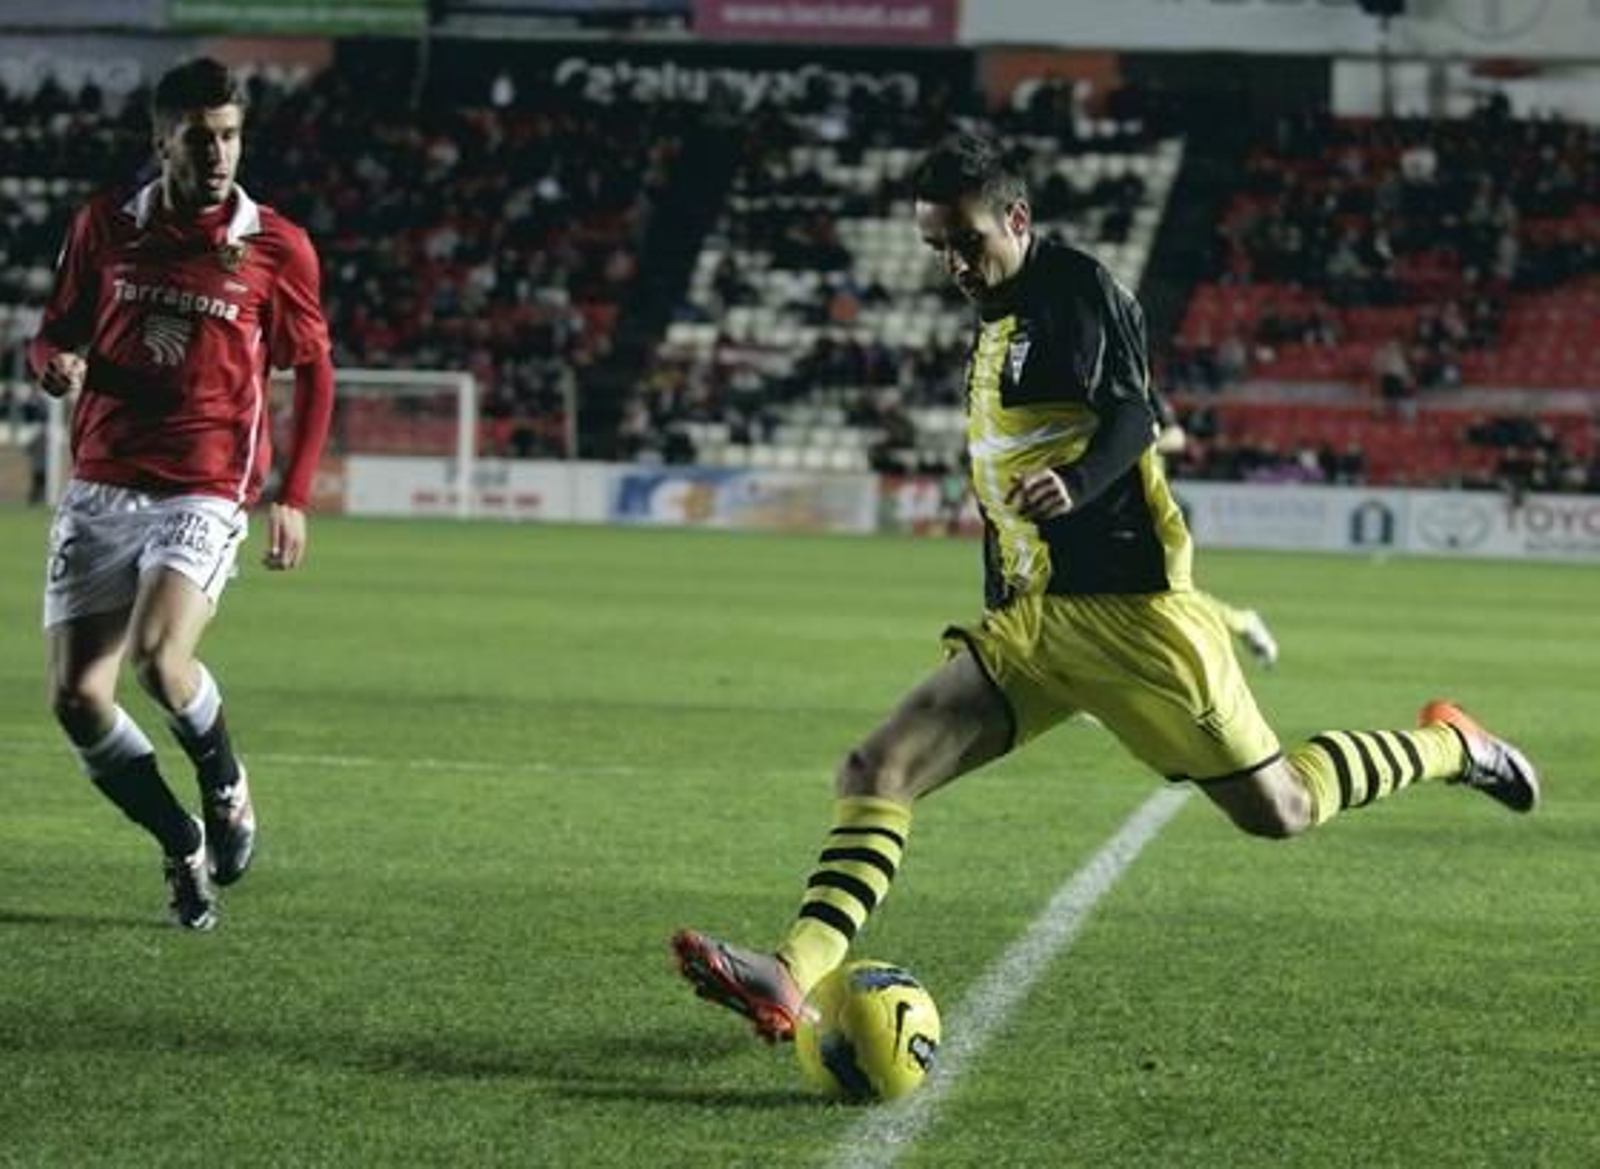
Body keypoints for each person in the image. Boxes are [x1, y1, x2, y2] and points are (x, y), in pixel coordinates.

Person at [670, 132, 1539, 1042]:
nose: (955, 263)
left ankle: (1453, 746)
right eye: (937, 247)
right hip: (1031, 624)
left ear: (1017, 217)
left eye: (968, 240)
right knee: (875, 767)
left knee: (1280, 808)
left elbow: (1135, 415)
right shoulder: (997, 312)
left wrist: (1077, 483)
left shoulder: (1075, 291)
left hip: (1132, 622)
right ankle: (791, 971)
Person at [28, 57, 335, 930]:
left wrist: (296, 492)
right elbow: (54, 331)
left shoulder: (277, 245)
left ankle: (226, 780)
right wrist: (57, 365)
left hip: (206, 483)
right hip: (101, 481)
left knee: (161, 658)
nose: (218, 154)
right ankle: (180, 839)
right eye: (200, 139)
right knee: (77, 699)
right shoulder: (104, 225)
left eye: (230, 136)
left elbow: (313, 372)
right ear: (161, 140)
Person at [1151, 388, 1279, 667]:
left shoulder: (1139, 386)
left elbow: (1176, 437)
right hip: (1099, 508)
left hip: (1145, 509)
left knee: (1166, 597)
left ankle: (1240, 622)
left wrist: (1128, 447)